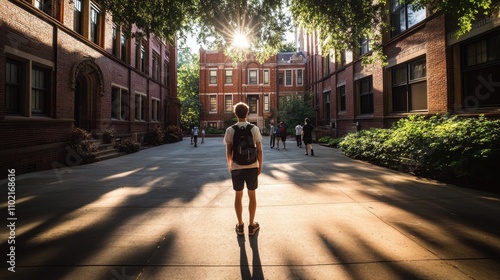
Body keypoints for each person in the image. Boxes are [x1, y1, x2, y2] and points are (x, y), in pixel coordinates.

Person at [224, 102, 263, 236]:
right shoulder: (254, 129)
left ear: (235, 114)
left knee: (238, 195)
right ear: (247, 113)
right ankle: (251, 225)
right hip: (252, 166)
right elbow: (259, 150)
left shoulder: (230, 130)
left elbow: (229, 150)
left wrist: (230, 164)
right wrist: (260, 165)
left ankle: (240, 225)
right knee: (252, 195)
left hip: (237, 167)